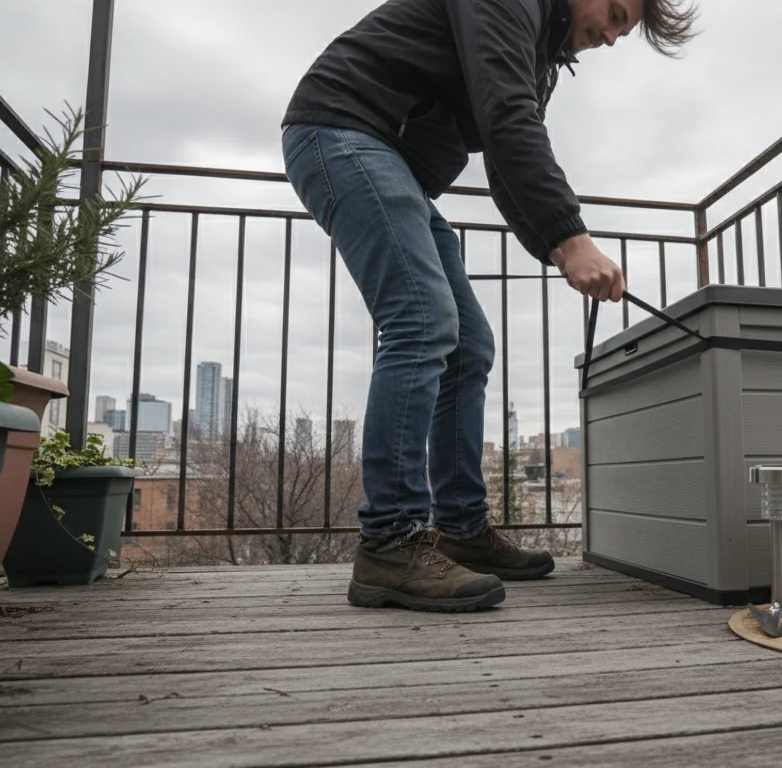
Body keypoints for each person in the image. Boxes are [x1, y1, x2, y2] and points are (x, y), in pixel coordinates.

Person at [280, 0, 699, 612]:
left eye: (622, 32)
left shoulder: (541, 52)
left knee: (468, 343)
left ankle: (462, 530)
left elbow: (506, 162)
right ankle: (389, 545)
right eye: (613, 14)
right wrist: (572, 237)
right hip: (344, 130)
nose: (610, 37)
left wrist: (560, 249)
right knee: (422, 320)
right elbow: (506, 118)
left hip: (394, 164)